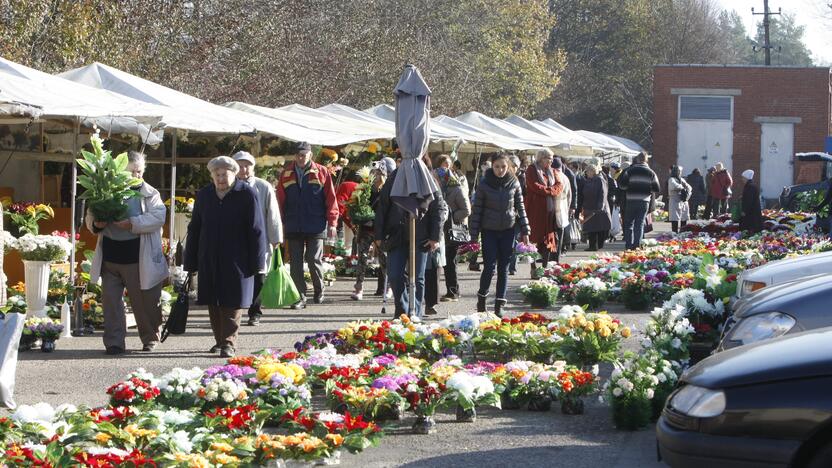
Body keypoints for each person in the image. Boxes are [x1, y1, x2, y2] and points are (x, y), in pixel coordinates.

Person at [87, 151, 168, 355]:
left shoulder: (150, 193)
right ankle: (114, 342)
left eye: (139, 171)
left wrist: (132, 223)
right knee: (111, 302)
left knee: (143, 302)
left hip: (137, 258)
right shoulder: (107, 190)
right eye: (131, 172)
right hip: (110, 257)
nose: (135, 176)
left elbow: (158, 217)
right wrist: (96, 224)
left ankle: (150, 338)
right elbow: (91, 216)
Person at [185, 156, 267, 358]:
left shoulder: (246, 193)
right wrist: (190, 260)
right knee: (213, 299)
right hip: (209, 256)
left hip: (237, 258)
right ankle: (220, 340)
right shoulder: (204, 195)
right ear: (212, 176)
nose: (221, 179)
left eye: (225, 174)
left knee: (233, 300)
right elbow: (195, 228)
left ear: (234, 174)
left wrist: (257, 261)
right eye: (217, 175)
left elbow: (256, 229)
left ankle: (229, 342)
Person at [374, 161, 446, 319]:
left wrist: (435, 237)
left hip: (421, 236)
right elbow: (382, 207)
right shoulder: (394, 178)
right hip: (396, 235)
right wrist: (378, 235)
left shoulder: (428, 178)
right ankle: (403, 309)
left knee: (418, 277)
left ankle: (416, 313)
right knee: (394, 274)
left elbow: (438, 208)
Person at [276, 141, 338, 309]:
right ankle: (299, 297)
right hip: (293, 224)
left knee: (313, 259)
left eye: (304, 154)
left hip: (316, 224)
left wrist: (332, 222)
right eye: (298, 155)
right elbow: (279, 201)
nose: (301, 157)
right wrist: (279, 223)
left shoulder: (322, 172)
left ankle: (319, 289)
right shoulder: (286, 174)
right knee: (295, 262)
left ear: (311, 155)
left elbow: (331, 199)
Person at [470, 154, 530, 316]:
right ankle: (482, 299)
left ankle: (499, 304)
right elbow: (477, 212)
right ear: (492, 167)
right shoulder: (484, 184)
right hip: (489, 230)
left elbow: (520, 207)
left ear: (508, 166)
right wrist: (473, 237)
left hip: (508, 230)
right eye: (497, 166)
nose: (500, 170)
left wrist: (525, 230)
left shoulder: (514, 182)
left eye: (503, 166)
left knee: (504, 268)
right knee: (489, 266)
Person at [231, 151, 283, 327]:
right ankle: (235, 312)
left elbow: (273, 214)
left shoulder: (263, 186)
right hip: (237, 239)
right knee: (237, 276)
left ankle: (255, 312)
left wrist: (276, 238)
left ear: (253, 167)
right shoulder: (229, 186)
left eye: (247, 165)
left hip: (260, 238)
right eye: (240, 165)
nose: (244, 169)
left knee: (259, 276)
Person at [351, 157, 395, 301]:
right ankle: (359, 287)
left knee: (384, 259)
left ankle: (388, 287)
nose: (375, 176)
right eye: (373, 173)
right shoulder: (365, 188)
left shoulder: (387, 189)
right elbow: (356, 204)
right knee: (362, 259)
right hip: (365, 229)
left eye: (378, 173)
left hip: (380, 231)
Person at [435, 155, 471, 303]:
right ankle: (447, 292)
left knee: (450, 261)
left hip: (451, 229)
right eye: (443, 165)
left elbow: (467, 209)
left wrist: (451, 216)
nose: (446, 168)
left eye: (448, 165)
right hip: (439, 229)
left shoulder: (456, 187)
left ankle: (453, 292)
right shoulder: (435, 185)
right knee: (442, 262)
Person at [525, 149, 563, 274]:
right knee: (534, 240)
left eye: (552, 158)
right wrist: (550, 191)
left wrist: (549, 190)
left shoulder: (553, 171)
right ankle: (533, 268)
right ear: (541, 158)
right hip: (535, 211)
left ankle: (544, 268)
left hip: (549, 212)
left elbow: (559, 185)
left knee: (548, 240)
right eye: (548, 157)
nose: (551, 160)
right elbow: (534, 185)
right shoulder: (531, 169)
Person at [422, 155, 449, 316]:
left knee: (433, 269)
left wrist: (436, 233)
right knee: (420, 272)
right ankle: (418, 302)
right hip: (417, 233)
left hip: (432, 232)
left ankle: (431, 303)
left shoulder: (433, 183)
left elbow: (442, 209)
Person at [618, 152, 660, 250]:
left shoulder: (629, 171)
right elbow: (656, 188)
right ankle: (637, 245)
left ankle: (628, 245)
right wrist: (647, 189)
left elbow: (622, 186)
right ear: (646, 160)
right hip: (644, 201)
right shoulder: (651, 172)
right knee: (640, 224)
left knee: (628, 224)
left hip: (631, 200)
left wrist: (630, 187)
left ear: (637, 159)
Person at [580, 165, 612, 251]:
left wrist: (600, 205)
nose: (586, 173)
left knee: (599, 227)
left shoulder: (600, 180)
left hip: (598, 207)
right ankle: (592, 246)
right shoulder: (588, 180)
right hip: (589, 206)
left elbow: (603, 193)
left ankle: (597, 245)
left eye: (587, 171)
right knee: (591, 227)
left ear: (593, 171)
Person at [552, 158, 573, 261]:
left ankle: (552, 255)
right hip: (563, 208)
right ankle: (557, 255)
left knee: (553, 233)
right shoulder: (565, 177)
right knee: (560, 233)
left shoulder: (553, 176)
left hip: (553, 208)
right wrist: (568, 207)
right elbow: (570, 195)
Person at [667, 165, 692, 233]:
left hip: (683, 201)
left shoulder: (682, 179)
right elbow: (673, 186)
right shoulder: (671, 179)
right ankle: (675, 233)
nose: (680, 173)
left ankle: (683, 232)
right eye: (679, 171)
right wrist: (682, 187)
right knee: (675, 218)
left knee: (684, 218)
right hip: (675, 201)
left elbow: (689, 187)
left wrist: (687, 193)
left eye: (680, 171)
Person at [740, 169, 763, 234]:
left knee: (751, 226)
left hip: (751, 211)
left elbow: (749, 200)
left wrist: (744, 210)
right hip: (753, 210)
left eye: (743, 178)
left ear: (746, 178)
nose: (742, 179)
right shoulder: (751, 185)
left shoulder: (750, 186)